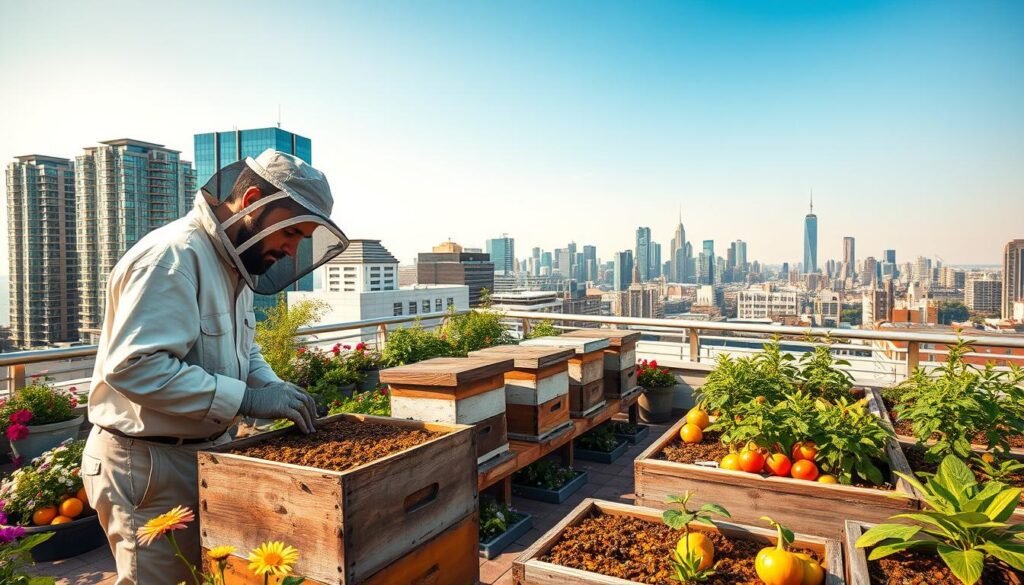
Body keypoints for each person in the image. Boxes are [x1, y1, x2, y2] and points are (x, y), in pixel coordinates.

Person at [81, 150, 348, 584]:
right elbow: (134, 367)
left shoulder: (234, 264)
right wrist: (247, 398)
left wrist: (275, 389)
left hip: (203, 454)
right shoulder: (172, 258)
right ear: (253, 201)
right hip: (149, 465)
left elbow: (246, 351)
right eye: (292, 232)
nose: (291, 248)